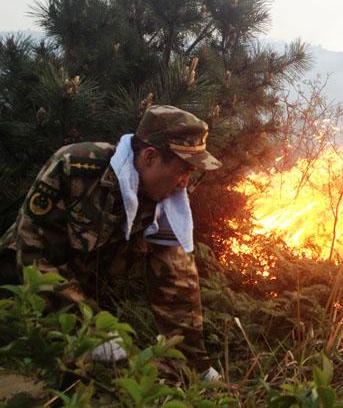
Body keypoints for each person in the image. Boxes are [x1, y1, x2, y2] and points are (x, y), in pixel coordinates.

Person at [0, 105, 222, 373]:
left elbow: (176, 284)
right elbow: (36, 258)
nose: (185, 183)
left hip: (72, 313)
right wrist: (91, 330)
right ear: (150, 156)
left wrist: (196, 365)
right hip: (16, 298)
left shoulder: (168, 202)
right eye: (183, 170)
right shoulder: (75, 167)